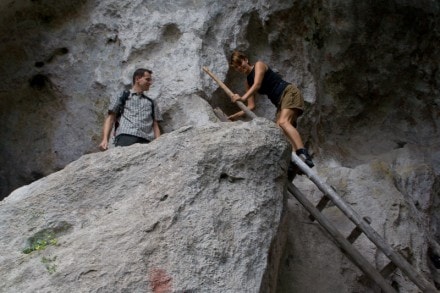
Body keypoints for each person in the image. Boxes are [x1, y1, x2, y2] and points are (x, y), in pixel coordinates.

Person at [229, 51, 314, 177]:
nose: (240, 68)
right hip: (280, 104)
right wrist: (235, 116)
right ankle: (296, 161)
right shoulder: (248, 82)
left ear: (245, 59)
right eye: (236, 67)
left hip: (288, 92)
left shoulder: (259, 65)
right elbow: (251, 106)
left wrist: (241, 97)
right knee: (278, 132)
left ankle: (304, 154)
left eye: (240, 63)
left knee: (283, 122)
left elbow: (257, 85)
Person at [99, 68, 162, 151]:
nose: (150, 83)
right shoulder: (122, 95)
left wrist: (159, 143)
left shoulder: (151, 102)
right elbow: (111, 118)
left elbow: (155, 124)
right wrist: (105, 140)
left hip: (146, 140)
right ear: (137, 79)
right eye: (147, 79)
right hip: (126, 136)